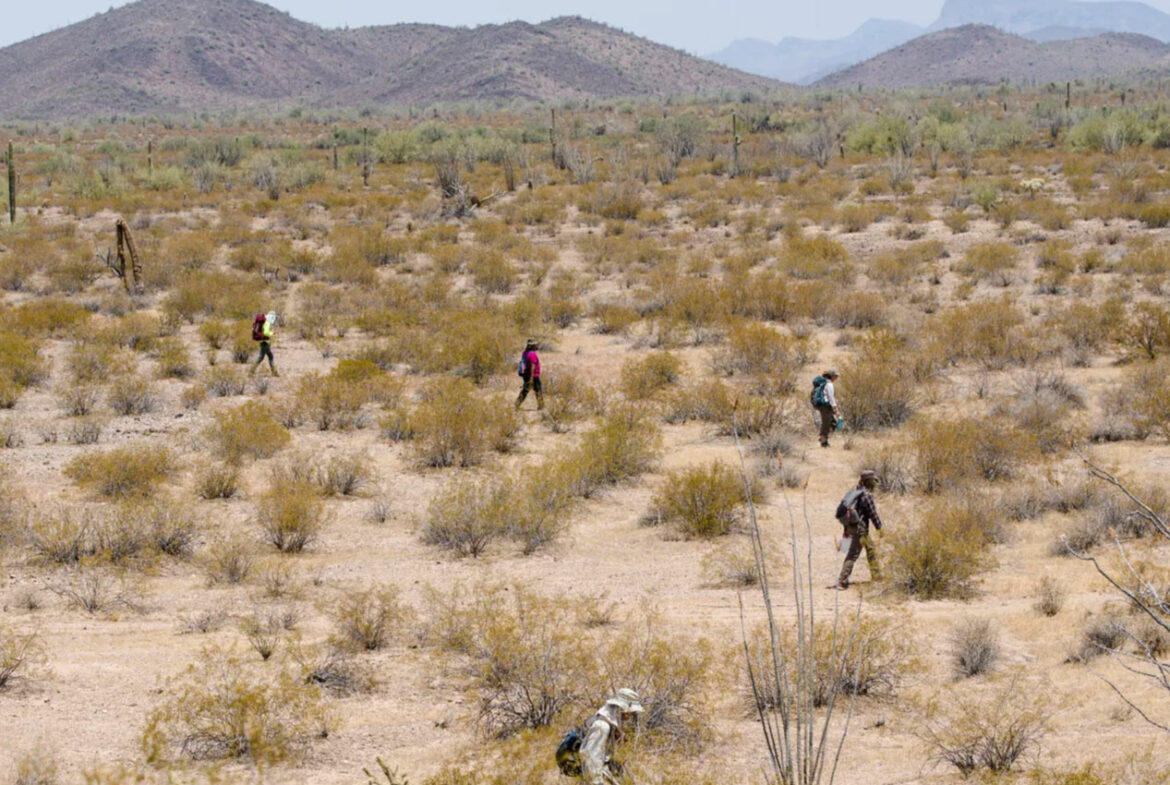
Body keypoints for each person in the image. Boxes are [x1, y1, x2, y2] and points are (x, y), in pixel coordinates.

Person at [579, 688, 643, 785]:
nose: (630, 715)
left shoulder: (609, 721)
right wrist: (597, 782)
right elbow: (592, 757)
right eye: (630, 711)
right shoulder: (602, 726)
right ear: (622, 708)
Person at [833, 469, 883, 590]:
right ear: (869, 482)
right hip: (860, 528)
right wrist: (879, 527)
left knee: (870, 549)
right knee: (853, 554)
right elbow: (872, 513)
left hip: (853, 527)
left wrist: (846, 529)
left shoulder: (855, 492)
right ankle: (842, 581)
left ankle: (877, 577)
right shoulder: (866, 495)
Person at [812, 369, 841, 447]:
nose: (836, 377)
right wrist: (835, 409)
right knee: (826, 423)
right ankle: (823, 441)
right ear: (831, 375)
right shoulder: (829, 384)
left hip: (823, 405)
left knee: (831, 423)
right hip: (826, 406)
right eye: (835, 376)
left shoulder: (824, 383)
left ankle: (824, 438)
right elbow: (831, 397)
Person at [515, 338, 543, 410]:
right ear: (532, 346)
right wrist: (531, 378)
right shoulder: (532, 354)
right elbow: (533, 366)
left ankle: (517, 403)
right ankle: (541, 406)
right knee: (538, 390)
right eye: (535, 345)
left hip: (526, 375)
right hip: (533, 376)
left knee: (525, 390)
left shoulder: (524, 353)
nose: (536, 346)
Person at [251, 311, 279, 377]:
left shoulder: (266, 321)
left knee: (270, 356)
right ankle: (251, 371)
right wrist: (273, 333)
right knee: (261, 357)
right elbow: (266, 332)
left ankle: (274, 372)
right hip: (265, 342)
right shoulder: (267, 322)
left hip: (264, 341)